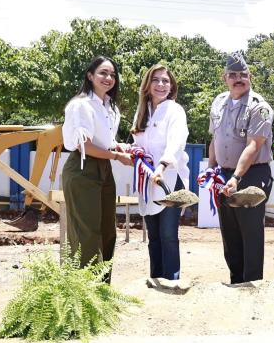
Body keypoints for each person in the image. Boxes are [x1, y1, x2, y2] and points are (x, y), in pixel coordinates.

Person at [61, 56, 133, 282]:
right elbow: (84, 145)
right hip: (82, 169)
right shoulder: (80, 105)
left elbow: (106, 141)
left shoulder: (110, 107)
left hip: (103, 169)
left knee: (107, 232)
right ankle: (83, 293)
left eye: (112, 74)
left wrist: (119, 147)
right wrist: (116, 155)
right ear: (90, 76)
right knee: (86, 234)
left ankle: (102, 290)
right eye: (103, 73)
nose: (108, 78)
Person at [207, 52, 274, 284]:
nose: (238, 79)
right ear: (225, 77)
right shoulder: (218, 103)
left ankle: (252, 284)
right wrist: (210, 170)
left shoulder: (259, 107)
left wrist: (236, 177)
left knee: (250, 233)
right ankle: (236, 282)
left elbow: (254, 146)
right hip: (224, 175)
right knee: (230, 233)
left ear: (250, 76)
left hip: (252, 175)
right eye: (232, 75)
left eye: (242, 75)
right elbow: (215, 140)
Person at [131, 63, 189, 281]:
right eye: (156, 80)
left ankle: (172, 280)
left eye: (166, 80)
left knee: (168, 235)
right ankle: (156, 278)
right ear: (147, 84)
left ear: (171, 86)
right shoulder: (142, 111)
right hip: (148, 182)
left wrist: (162, 167)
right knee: (153, 235)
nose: (161, 84)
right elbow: (140, 144)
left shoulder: (175, 110)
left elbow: (176, 143)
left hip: (169, 180)